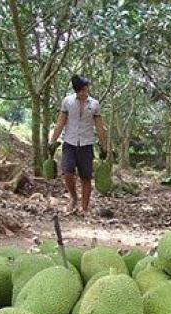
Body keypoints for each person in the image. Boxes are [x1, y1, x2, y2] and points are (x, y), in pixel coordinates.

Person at [49, 74, 107, 214]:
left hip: (87, 144)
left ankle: (84, 207)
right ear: (77, 90)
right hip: (69, 142)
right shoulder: (67, 102)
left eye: (86, 89)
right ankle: (73, 198)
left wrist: (103, 145)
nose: (84, 92)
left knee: (86, 177)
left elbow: (100, 126)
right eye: (81, 90)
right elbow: (60, 122)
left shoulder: (94, 104)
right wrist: (52, 141)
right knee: (67, 172)